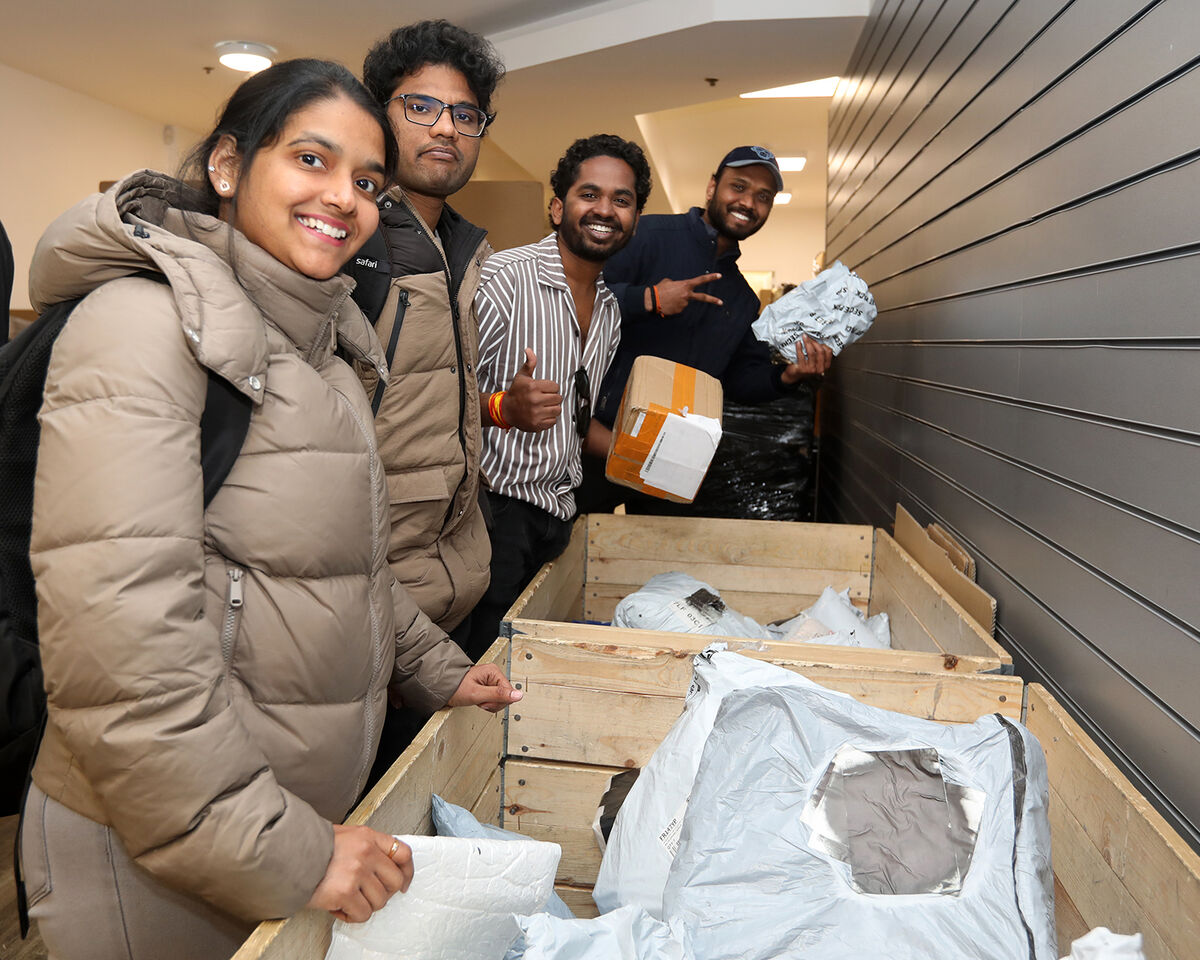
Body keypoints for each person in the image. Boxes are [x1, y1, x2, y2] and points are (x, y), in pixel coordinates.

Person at [19, 59, 518, 960]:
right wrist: (286, 851)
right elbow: (122, 654)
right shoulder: (142, 325)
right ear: (226, 165)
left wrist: (439, 669)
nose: (346, 198)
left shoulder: (324, 352)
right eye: (311, 160)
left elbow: (336, 568)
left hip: (275, 829)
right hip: (162, 852)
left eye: (368, 181)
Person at [352, 21, 506, 779]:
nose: (447, 126)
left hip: (456, 584)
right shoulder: (350, 241)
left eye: (466, 113)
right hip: (366, 609)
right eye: (421, 107)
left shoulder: (464, 249)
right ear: (379, 114)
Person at [465, 134, 651, 657]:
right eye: (589, 194)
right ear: (557, 207)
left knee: (524, 676)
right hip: (492, 517)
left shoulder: (611, 313)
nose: (605, 210)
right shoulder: (504, 278)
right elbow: (433, 401)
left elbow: (573, 421)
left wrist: (644, 458)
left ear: (635, 218)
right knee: (480, 671)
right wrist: (503, 407)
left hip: (557, 520)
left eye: (622, 200)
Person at [579, 145, 834, 514]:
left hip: (671, 457)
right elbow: (578, 301)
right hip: (596, 440)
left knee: (654, 565)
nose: (748, 202)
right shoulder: (645, 234)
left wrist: (789, 376)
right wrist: (648, 298)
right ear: (713, 187)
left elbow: (740, 380)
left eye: (763, 197)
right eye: (739, 187)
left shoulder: (743, 299)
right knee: (564, 556)